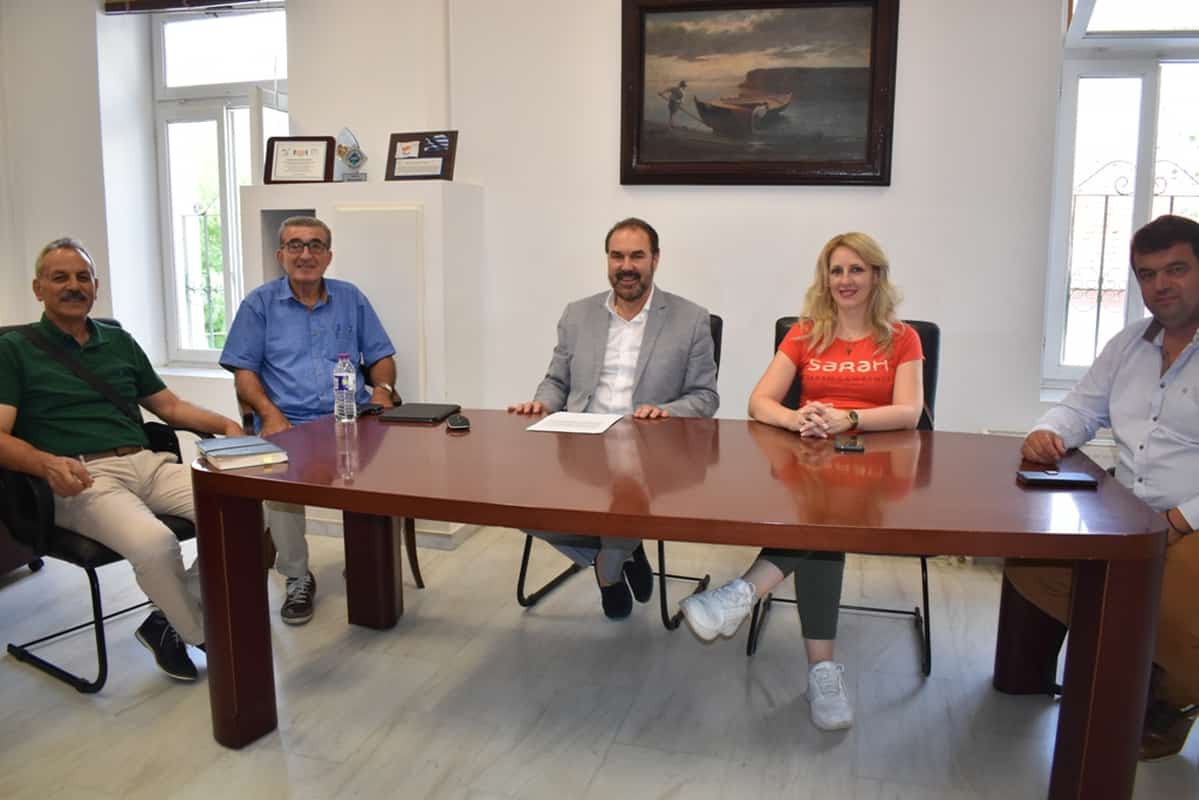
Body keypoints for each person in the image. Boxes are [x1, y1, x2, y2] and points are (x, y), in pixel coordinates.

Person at [679, 232, 924, 731]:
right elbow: (759, 401)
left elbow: (909, 412)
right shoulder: (806, 333)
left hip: (878, 464)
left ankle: (745, 593)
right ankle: (821, 671)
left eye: (856, 269)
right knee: (821, 521)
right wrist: (798, 419)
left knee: (823, 522)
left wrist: (847, 419)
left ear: (877, 275)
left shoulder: (902, 338)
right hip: (815, 460)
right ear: (825, 279)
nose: (845, 280)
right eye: (836, 271)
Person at [0, 238, 244, 681]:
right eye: (60, 277)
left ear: (96, 286)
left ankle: (165, 621)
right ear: (38, 288)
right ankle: (204, 635)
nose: (73, 286)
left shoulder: (117, 341)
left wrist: (226, 424)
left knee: (245, 511)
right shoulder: (13, 349)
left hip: (147, 462)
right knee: (156, 544)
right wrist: (45, 464)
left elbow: (169, 407)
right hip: (80, 476)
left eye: (82, 277)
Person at [1005, 213, 1199, 761]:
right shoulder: (1130, 343)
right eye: (1147, 274)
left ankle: (1172, 700)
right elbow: (1081, 407)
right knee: (1033, 565)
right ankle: (1138, 668)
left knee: (1174, 604)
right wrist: (1049, 432)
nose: (1161, 285)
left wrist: (1179, 521)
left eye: (1177, 269)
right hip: (1129, 508)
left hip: (1189, 519)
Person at [508, 217, 719, 619]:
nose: (626, 266)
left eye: (637, 256)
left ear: (655, 259)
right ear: (607, 259)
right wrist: (541, 405)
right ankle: (621, 549)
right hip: (581, 442)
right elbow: (556, 380)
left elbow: (705, 397)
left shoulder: (690, 318)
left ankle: (609, 569)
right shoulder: (577, 314)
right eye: (617, 256)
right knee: (517, 501)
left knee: (624, 491)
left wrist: (666, 412)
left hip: (649, 447)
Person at [219, 216, 399, 626]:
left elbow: (381, 355)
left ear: (328, 256)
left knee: (382, 473)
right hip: (289, 421)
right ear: (280, 254)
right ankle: (297, 576)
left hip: (351, 416)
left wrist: (383, 390)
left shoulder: (350, 297)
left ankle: (367, 561)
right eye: (295, 245)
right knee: (280, 487)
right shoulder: (259, 304)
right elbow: (243, 372)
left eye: (316, 245)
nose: (306, 254)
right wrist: (270, 415)